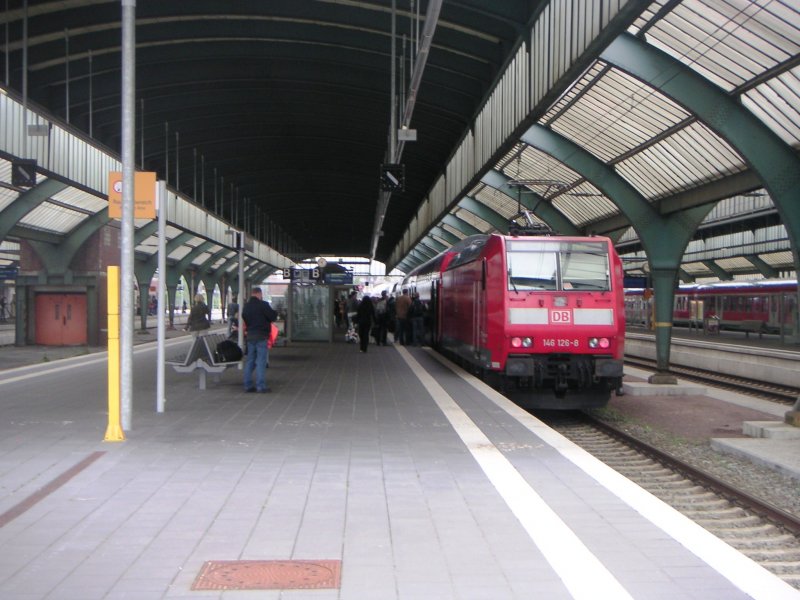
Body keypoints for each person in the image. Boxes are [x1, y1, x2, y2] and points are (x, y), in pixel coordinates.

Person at [241, 287, 278, 393]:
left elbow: (245, 318)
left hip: (251, 335)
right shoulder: (263, 305)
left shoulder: (246, 307)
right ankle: (260, 386)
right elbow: (272, 317)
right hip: (261, 336)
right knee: (261, 361)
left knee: (250, 360)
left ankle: (248, 385)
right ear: (259, 294)